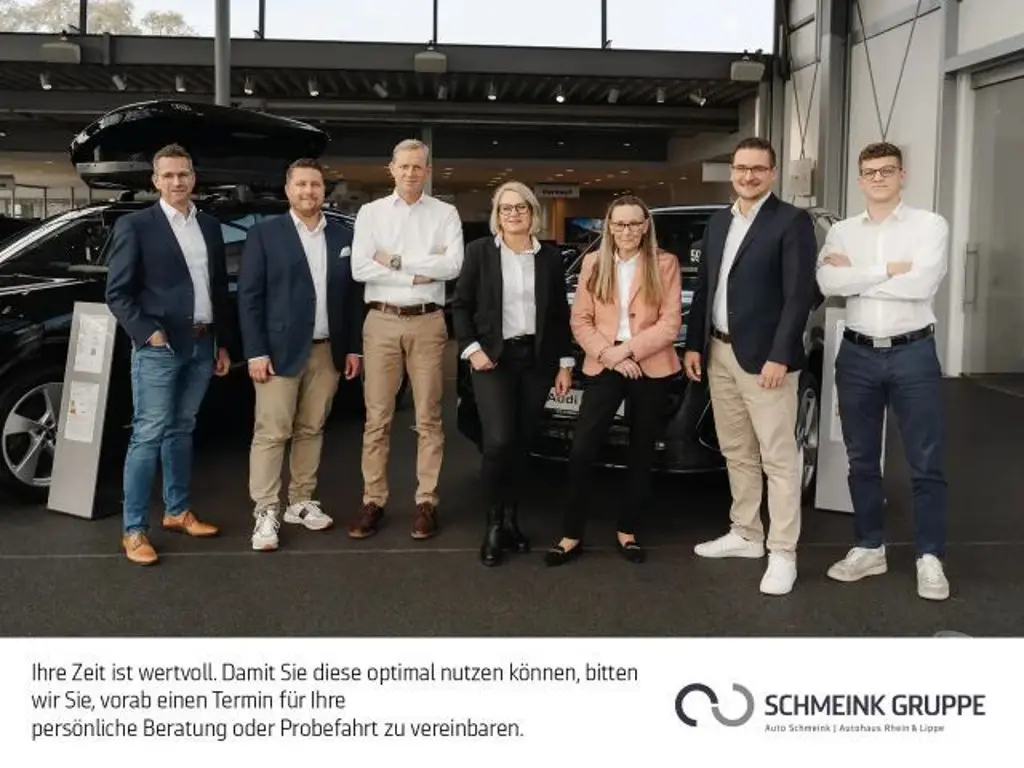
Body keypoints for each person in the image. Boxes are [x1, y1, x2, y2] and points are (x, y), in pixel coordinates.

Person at [816, 141, 951, 601]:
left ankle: (930, 557)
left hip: (913, 352)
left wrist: (859, 275)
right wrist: (889, 270)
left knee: (926, 459)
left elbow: (922, 284)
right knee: (860, 458)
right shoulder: (841, 231)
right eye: (870, 172)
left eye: (887, 170)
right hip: (856, 355)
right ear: (859, 179)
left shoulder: (929, 225)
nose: (878, 178)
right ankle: (869, 547)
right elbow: (828, 282)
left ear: (902, 175)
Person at [683, 136, 818, 596]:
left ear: (772, 173)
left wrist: (781, 354)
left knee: (778, 458)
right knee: (736, 451)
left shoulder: (791, 221)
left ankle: (783, 552)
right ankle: (745, 533)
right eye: (741, 168)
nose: (748, 176)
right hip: (719, 352)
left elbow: (800, 294)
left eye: (758, 168)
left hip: (767, 361)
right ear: (732, 172)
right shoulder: (720, 221)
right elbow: (705, 287)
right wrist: (695, 344)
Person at [105, 143, 233, 566]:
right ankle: (134, 529)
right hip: (160, 348)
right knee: (148, 434)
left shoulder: (209, 225)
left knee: (182, 428)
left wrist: (222, 341)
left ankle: (177, 511)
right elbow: (117, 293)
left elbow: (218, 288)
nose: (177, 181)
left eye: (184, 174)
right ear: (155, 180)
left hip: (203, 342)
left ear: (193, 177)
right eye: (169, 175)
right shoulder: (136, 226)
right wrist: (149, 334)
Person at [544, 195, 682, 567]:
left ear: (646, 226)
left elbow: (670, 324)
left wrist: (628, 352)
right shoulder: (593, 262)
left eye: (634, 223)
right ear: (609, 227)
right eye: (620, 224)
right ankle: (571, 534)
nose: (627, 230)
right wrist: (610, 355)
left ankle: (627, 530)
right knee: (582, 449)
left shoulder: (665, 263)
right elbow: (580, 320)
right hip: (605, 364)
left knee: (641, 452)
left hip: (649, 365)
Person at [237, 159, 363, 551]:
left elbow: (353, 297)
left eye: (315, 185)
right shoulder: (264, 234)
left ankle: (300, 500)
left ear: (324, 190)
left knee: (311, 428)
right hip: (277, 352)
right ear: (288, 189)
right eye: (301, 184)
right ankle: (266, 510)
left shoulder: (343, 235)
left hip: (328, 351)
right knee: (272, 432)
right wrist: (255, 351)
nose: (309, 191)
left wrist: (353, 347)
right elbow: (250, 297)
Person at [452, 181, 575, 567]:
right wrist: (471, 349)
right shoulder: (480, 252)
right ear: (497, 215)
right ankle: (492, 525)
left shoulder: (549, 257)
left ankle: (511, 521)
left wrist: (565, 363)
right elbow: (460, 305)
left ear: (532, 212)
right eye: (506, 208)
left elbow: (558, 315)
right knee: (498, 442)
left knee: (523, 444)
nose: (514, 213)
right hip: (493, 360)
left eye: (521, 207)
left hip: (536, 360)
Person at [348, 139, 464, 540]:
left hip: (427, 322)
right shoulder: (371, 213)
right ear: (392, 169)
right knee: (376, 418)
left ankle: (426, 502)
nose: (411, 172)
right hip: (381, 320)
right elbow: (360, 269)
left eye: (418, 166)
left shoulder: (445, 213)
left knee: (429, 418)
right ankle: (373, 501)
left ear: (427, 171)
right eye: (404, 166)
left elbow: (452, 266)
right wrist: (419, 271)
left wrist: (393, 260)